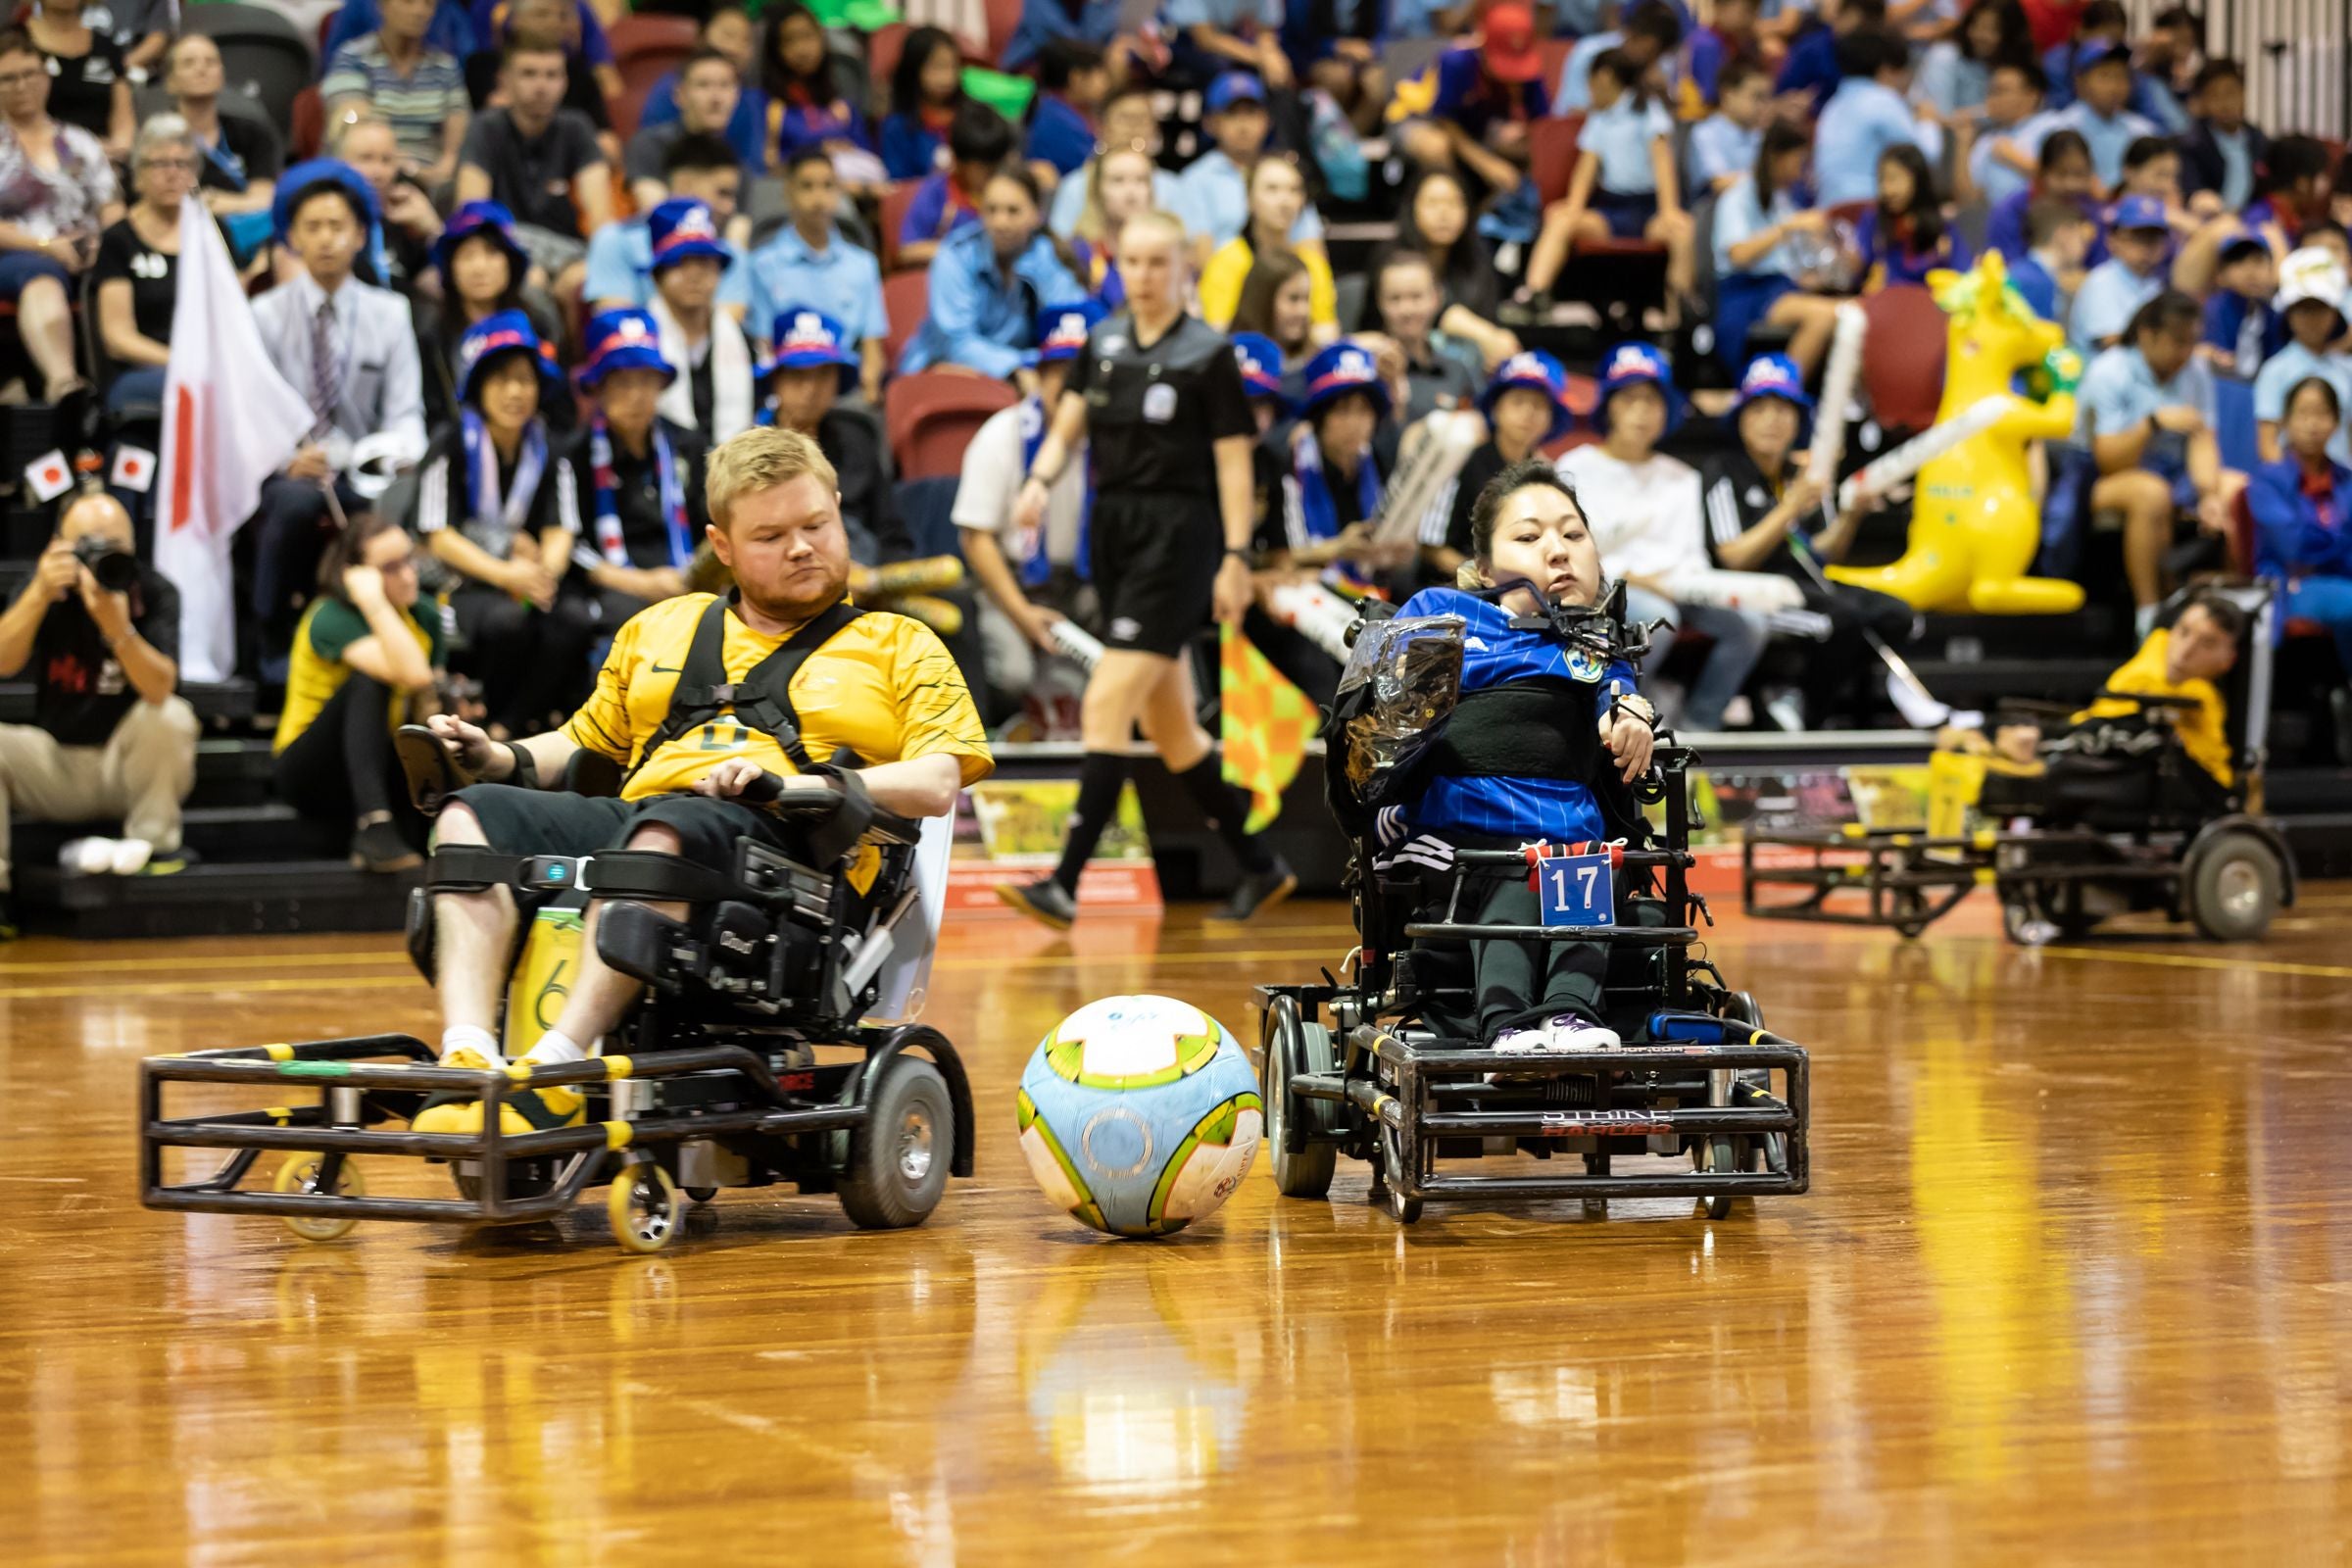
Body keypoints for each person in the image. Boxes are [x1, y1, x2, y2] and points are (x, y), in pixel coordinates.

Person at [406, 425, 992, 1120]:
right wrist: (495, 756)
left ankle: (556, 1068)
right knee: (470, 815)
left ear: (838, 509)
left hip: (788, 849)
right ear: (722, 546)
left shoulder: (899, 643)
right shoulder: (660, 628)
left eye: (816, 524)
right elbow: (583, 741)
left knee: (664, 833)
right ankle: (468, 1056)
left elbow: (936, 781)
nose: (801, 547)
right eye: (771, 536)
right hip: (650, 820)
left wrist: (795, 786)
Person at [1000, 210, 1294, 928]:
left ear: (1182, 270)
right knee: (1172, 732)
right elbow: (1068, 421)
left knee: (1106, 701)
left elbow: (1232, 463)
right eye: (1131, 262)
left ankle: (1064, 884)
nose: (1144, 276)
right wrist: (1039, 481)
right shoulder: (1100, 344)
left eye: (1158, 263)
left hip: (1182, 535)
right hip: (1117, 530)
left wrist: (1232, 556)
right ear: (1117, 265)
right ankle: (1262, 865)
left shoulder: (1206, 354)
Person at [1382, 460, 1659, 1054]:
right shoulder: (1442, 613)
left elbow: (1617, 699)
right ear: (1484, 569)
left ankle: (1569, 1016)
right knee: (1518, 867)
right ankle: (1506, 1023)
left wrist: (1632, 713)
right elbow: (1387, 724)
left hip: (1570, 843)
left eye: (1573, 534)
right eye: (1530, 537)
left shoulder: (1597, 642)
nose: (1557, 551)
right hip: (1460, 838)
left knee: (1588, 867)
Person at [250, 164, 428, 665]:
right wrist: (285, 457)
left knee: (384, 504)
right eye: (312, 227)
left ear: (359, 235)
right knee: (294, 503)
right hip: (289, 468)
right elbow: (250, 413)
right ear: (292, 238)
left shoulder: (390, 313)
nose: (326, 239)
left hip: (360, 468)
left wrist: (391, 458)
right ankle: (272, 639)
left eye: (337, 226)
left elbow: (406, 413)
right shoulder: (263, 314)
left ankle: (386, 637)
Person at [0, 492, 196, 935]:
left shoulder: (154, 589)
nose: (104, 557)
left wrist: (119, 630)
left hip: (126, 766)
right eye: (89, 545)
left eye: (117, 545)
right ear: (59, 546)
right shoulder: (44, 587)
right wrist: (38, 594)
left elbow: (161, 687)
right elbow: (3, 662)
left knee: (171, 715)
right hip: (57, 764)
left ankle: (154, 849)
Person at [1557, 342, 1767, 732]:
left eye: (1652, 402)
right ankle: (1624, 715)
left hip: (1679, 587)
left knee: (1749, 623)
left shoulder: (1682, 477)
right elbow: (1575, 551)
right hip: (1609, 590)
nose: (1641, 412)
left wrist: (1701, 587)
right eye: (1630, 399)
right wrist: (1642, 581)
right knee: (1656, 618)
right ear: (1610, 406)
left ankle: (1699, 726)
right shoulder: (1575, 467)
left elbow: (1691, 555)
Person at [1702, 353, 1918, 728]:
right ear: (1741, 419)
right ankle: (1806, 711)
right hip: (1757, 593)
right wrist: (1791, 507)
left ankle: (1806, 700)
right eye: (1760, 409)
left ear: (1798, 421)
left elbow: (1823, 553)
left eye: (1783, 410)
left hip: (1809, 585)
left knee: (1897, 615)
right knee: (1841, 621)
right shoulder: (1724, 471)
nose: (1772, 421)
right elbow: (1733, 557)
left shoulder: (1800, 475)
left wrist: (1852, 514)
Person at [411, 310, 596, 739]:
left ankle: (511, 724)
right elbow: (438, 534)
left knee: (573, 619)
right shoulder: (450, 440)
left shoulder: (549, 445)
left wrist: (541, 575)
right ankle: (498, 720)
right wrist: (506, 572)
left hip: (527, 583)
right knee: (507, 623)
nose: (515, 392)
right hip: (462, 586)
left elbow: (560, 528)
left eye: (525, 380)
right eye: (501, 379)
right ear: (479, 386)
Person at [954, 299, 1106, 718]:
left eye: (1082, 371)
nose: (1073, 385)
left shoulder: (1116, 439)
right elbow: (975, 537)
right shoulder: (1002, 435)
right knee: (1012, 674)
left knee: (1133, 662)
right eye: (1060, 371)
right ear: (1039, 376)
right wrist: (1022, 615)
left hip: (1088, 580)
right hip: (1010, 579)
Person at [272, 510, 445, 873]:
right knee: (371, 679)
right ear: (358, 576)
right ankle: (375, 824)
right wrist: (374, 602)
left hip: (379, 759)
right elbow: (413, 674)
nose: (409, 575)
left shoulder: (425, 615)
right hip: (310, 768)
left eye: (409, 560)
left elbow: (426, 693)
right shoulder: (331, 616)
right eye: (391, 568)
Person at [1977, 591, 2245, 822]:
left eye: (2207, 643)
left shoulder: (2203, 697)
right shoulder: (2156, 647)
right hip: (2107, 734)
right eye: (2184, 632)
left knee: (2137, 734)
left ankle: (2033, 752)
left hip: (2198, 783)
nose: (2186, 650)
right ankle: (2022, 743)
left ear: (2228, 659)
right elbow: (2111, 708)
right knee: (2083, 726)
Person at [2075, 290, 2236, 637]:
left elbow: (2202, 437)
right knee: (2152, 494)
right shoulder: (2109, 372)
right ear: (2148, 335)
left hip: (2173, 475)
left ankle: (2230, 611)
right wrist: (2152, 424)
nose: (2186, 352)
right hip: (2095, 480)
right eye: (2178, 342)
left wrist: (2209, 493)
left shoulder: (2194, 370)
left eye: (2192, 342)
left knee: (2237, 489)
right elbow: (2108, 461)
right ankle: (2150, 615)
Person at [555, 308, 708, 630]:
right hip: (611, 585)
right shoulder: (572, 454)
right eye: (623, 383)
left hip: (685, 578)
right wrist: (639, 583)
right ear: (599, 387)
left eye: (646, 381)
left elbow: (709, 524)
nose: (637, 396)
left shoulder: (687, 444)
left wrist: (697, 576)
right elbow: (569, 546)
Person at [1521, 49, 1694, 319]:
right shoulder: (1599, 120)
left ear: (1604, 77)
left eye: (1590, 84)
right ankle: (1534, 295)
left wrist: (1669, 210)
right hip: (1612, 209)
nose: (1588, 93)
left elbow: (1662, 162)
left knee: (1682, 231)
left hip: (1649, 210)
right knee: (1559, 218)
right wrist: (1574, 206)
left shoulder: (1648, 110)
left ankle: (1676, 318)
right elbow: (1586, 168)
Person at [0, 25, 119, 419]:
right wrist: (47, 247)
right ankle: (65, 386)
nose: (22, 86)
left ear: (46, 76)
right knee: (42, 275)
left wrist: (109, 242)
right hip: (18, 253)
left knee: (128, 267)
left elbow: (110, 206)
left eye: (30, 74)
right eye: (8, 78)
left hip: (87, 249)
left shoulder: (78, 141)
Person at [454, 30, 612, 287]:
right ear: (504, 81)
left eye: (551, 75)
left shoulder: (578, 127)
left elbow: (600, 218)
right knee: (531, 280)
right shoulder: (485, 127)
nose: (541, 86)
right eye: (529, 74)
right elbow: (473, 215)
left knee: (582, 279)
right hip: (502, 250)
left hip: (567, 255)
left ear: (565, 82)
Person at [899, 165, 1085, 382]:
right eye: (991, 210)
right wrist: (1018, 366)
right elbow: (957, 343)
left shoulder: (1045, 255)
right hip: (942, 372)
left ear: (1036, 215)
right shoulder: (955, 256)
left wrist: (1044, 362)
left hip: (1020, 373)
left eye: (1013, 211)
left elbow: (1070, 323)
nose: (1000, 223)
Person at [760, 309, 905, 563]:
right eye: (798, 375)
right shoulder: (752, 451)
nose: (811, 389)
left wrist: (874, 579)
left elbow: (890, 530)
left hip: (866, 575)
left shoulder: (859, 434)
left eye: (823, 375)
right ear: (776, 380)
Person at [1421, 348, 1574, 584]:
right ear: (1496, 408)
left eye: (1539, 405)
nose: (1528, 413)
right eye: (1518, 401)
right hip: (1454, 585)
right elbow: (1430, 545)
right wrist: (1488, 576)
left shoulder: (1546, 474)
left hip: (1523, 587)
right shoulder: (1461, 459)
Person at [744, 148, 885, 402]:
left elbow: (872, 344)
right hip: (788, 385)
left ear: (839, 191)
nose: (818, 198)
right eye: (807, 187)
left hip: (844, 384)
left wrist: (870, 389)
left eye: (828, 186)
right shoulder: (763, 264)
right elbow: (763, 344)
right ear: (788, 192)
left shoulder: (863, 264)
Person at [2248, 377, 2352, 709]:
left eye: (2322, 414)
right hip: (2288, 586)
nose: (2312, 424)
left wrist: (2326, 543)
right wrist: (2339, 540)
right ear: (2285, 421)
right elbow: (2291, 547)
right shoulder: (2268, 480)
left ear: (2336, 422)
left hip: (2339, 579)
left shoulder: (2346, 481)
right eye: (2303, 413)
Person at [1711, 122, 1843, 373]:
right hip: (1747, 294)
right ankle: (1782, 388)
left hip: (1781, 287)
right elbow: (1738, 255)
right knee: (1824, 316)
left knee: (1854, 310)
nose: (1799, 172)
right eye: (1798, 161)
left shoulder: (1782, 200)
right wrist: (1788, 227)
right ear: (1776, 157)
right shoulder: (1737, 197)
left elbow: (1791, 264)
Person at [1387, 5, 1546, 210]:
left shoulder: (1530, 70)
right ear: (1484, 47)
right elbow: (1444, 122)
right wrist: (1486, 163)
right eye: (1505, 63)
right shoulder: (1456, 61)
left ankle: (1503, 216)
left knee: (1525, 147)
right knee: (1435, 146)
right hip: (1420, 119)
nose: (1512, 75)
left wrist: (1524, 135)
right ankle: (1451, 211)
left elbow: (1543, 124)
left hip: (1477, 127)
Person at [424, 200, 565, 428]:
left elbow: (557, 405)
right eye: (467, 256)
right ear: (450, 268)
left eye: (491, 253)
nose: (479, 267)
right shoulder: (434, 334)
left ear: (511, 261)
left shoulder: (538, 323)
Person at [582, 132, 752, 318]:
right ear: (685, 184)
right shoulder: (615, 240)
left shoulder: (731, 254)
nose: (731, 207)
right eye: (722, 193)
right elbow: (616, 323)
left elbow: (726, 327)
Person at [93, 116, 192, 421]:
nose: (172, 174)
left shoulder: (214, 234)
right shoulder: (119, 239)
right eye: (160, 164)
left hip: (207, 366)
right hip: (144, 370)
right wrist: (182, 362)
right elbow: (117, 338)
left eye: (182, 164)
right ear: (138, 174)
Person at [321, 0, 470, 195]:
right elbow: (354, 129)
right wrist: (398, 168)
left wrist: (422, 175)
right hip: (368, 174)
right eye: (407, 2)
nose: (419, 11)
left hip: (433, 185)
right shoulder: (352, 58)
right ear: (382, 5)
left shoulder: (446, 68)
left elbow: (455, 150)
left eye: (428, 4)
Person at [643, 197, 757, 444]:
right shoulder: (640, 343)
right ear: (657, 275)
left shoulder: (742, 340)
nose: (694, 275)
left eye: (704, 262)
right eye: (681, 262)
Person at [1174, 72, 1326, 254]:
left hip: (1285, 276)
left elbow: (1312, 247)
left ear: (1267, 119)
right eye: (1232, 114)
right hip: (1224, 277)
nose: (1243, 124)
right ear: (1211, 123)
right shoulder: (1195, 179)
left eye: (1251, 113)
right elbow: (1198, 252)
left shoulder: (1286, 173)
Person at [1199, 157, 1337, 337]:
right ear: (1249, 199)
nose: (1285, 201)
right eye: (1272, 189)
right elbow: (1217, 331)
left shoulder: (1313, 264)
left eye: (1294, 190)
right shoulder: (1226, 262)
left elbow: (1327, 330)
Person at [1045, 83, 1193, 239]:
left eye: (1142, 119)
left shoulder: (1173, 188)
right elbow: (1060, 244)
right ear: (1102, 126)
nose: (1133, 128)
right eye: (1125, 118)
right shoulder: (1075, 186)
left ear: (1155, 129)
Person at [634, 4, 766, 177]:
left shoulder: (752, 101)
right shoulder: (668, 89)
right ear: (701, 37)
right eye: (728, 35)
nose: (735, 47)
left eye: (746, 40)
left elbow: (752, 170)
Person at [163, 34, 279, 229]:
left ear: (222, 75)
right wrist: (239, 204)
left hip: (244, 230)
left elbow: (265, 200)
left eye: (210, 62)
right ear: (170, 81)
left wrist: (219, 202)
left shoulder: (254, 133)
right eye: (189, 63)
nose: (202, 69)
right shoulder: (159, 138)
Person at [1814, 27, 1937, 208]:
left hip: (1829, 208)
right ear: (1884, 69)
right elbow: (1924, 159)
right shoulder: (1883, 100)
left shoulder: (1832, 105)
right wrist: (1928, 121)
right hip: (1866, 211)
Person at [2252, 249, 2352, 466]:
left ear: (2335, 314)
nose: (2312, 318)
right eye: (2303, 310)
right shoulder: (2274, 370)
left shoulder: (2347, 369)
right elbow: (2268, 446)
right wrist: (2294, 488)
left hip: (2343, 486)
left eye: (2320, 309)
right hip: (2293, 488)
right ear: (2289, 314)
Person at [1358, 250, 1484, 419]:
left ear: (1436, 298)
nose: (1406, 310)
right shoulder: (1366, 370)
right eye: (1395, 298)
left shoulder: (1458, 369)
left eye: (1416, 297)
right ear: (1380, 302)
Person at [762, 1, 878, 187]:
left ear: (822, 38)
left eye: (808, 37)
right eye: (790, 40)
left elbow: (868, 156)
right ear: (775, 49)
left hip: (853, 191)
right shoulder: (767, 105)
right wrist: (818, 153)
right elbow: (766, 163)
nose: (802, 49)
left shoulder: (841, 105)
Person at [1387, 167, 1508, 334]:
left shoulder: (1478, 261)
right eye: (1433, 203)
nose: (1444, 213)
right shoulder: (1391, 262)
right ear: (1412, 209)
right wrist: (1453, 321)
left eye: (1453, 203)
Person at [623, 47, 746, 212]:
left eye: (725, 85)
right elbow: (657, 215)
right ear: (679, 95)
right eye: (703, 85)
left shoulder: (737, 158)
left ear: (737, 95)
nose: (716, 98)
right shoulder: (649, 145)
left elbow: (741, 223)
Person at [898, 100, 1014, 271]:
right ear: (958, 162)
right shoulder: (937, 192)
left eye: (997, 166)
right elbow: (908, 251)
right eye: (985, 170)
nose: (993, 175)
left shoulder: (1014, 190)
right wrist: (968, 253)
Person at [20, 0, 128, 157]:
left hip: (104, 159)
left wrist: (99, 153)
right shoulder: (15, 45)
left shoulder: (107, 48)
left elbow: (124, 125)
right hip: (35, 158)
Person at [1856, 142, 1970, 290]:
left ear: (1917, 179)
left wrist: (1936, 259)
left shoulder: (1942, 230)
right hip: (1883, 305)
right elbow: (1856, 271)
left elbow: (1964, 276)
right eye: (1881, 180)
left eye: (1893, 179)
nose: (1886, 189)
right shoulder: (1873, 220)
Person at [2048, 40, 2154, 192]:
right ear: (2080, 81)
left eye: (2121, 76)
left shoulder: (2143, 130)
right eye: (2105, 76)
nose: (2114, 86)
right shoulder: (2061, 128)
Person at [2069, 194, 2169, 352]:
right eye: (2138, 238)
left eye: (2153, 238)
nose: (2146, 246)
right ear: (2113, 240)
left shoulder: (2156, 286)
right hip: (2100, 374)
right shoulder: (2101, 281)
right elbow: (2109, 342)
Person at [1987, 127, 2100, 264]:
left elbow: (2102, 267)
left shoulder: (2093, 212)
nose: (2070, 184)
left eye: (2079, 174)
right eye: (2061, 174)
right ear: (2042, 172)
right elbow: (2006, 269)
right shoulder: (2010, 211)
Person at [1554, 0, 1684, 114]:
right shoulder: (1588, 53)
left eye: (1658, 54)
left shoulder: (1665, 66)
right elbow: (1571, 113)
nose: (1651, 59)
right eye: (1648, 51)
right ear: (1631, 35)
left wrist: (1662, 94)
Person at [1069, 141, 1155, 307]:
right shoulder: (1079, 253)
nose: (1131, 193)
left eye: (1141, 180)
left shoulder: (1169, 253)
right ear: (1097, 190)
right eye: (1118, 180)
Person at [1914, 0, 2033, 121]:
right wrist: (1986, 112)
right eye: (1976, 25)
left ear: (2010, 34)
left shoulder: (2015, 70)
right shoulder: (1944, 57)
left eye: (1993, 30)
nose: (1980, 35)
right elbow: (1936, 115)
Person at [879, 25, 967, 182]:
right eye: (937, 67)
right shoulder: (897, 127)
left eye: (952, 66)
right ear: (914, 69)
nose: (946, 77)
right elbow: (898, 183)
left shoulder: (973, 117)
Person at [1962, 58, 2050, 208]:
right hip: (1995, 222)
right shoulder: (1986, 141)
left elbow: (2067, 179)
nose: (1992, 99)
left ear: (2032, 96)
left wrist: (2014, 158)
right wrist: (1962, 142)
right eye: (1990, 92)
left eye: (2001, 91)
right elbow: (1967, 199)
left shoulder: (2053, 125)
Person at [2179, 57, 2265, 213]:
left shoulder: (2258, 138)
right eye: (2215, 96)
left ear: (2243, 93)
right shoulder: (2192, 144)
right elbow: (2194, 192)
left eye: (2231, 93)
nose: (2225, 103)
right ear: (2204, 101)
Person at [2200, 229, 2282, 378]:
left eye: (2258, 261)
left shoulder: (2271, 314)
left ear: (2271, 269)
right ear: (2221, 275)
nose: (2250, 271)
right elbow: (2221, 358)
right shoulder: (2215, 308)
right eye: (2239, 262)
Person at [1025, 38, 1108, 178]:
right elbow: (1093, 170)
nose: (1106, 82)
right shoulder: (1057, 121)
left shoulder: (1064, 111)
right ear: (1076, 78)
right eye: (1100, 73)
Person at [2008, 194, 2097, 322]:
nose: (2086, 248)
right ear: (2064, 234)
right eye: (2082, 239)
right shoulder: (2035, 282)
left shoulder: (2024, 273)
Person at [1688, 57, 1769, 197]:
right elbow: (1719, 183)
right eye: (1756, 97)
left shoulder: (1760, 135)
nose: (1763, 106)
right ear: (1728, 95)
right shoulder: (1705, 134)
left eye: (1765, 98)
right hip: (1713, 213)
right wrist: (1766, 180)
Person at [1227, 250, 1316, 377]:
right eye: (1293, 298)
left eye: (1307, 299)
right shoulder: (1231, 362)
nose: (1303, 311)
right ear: (1262, 300)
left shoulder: (1316, 363)